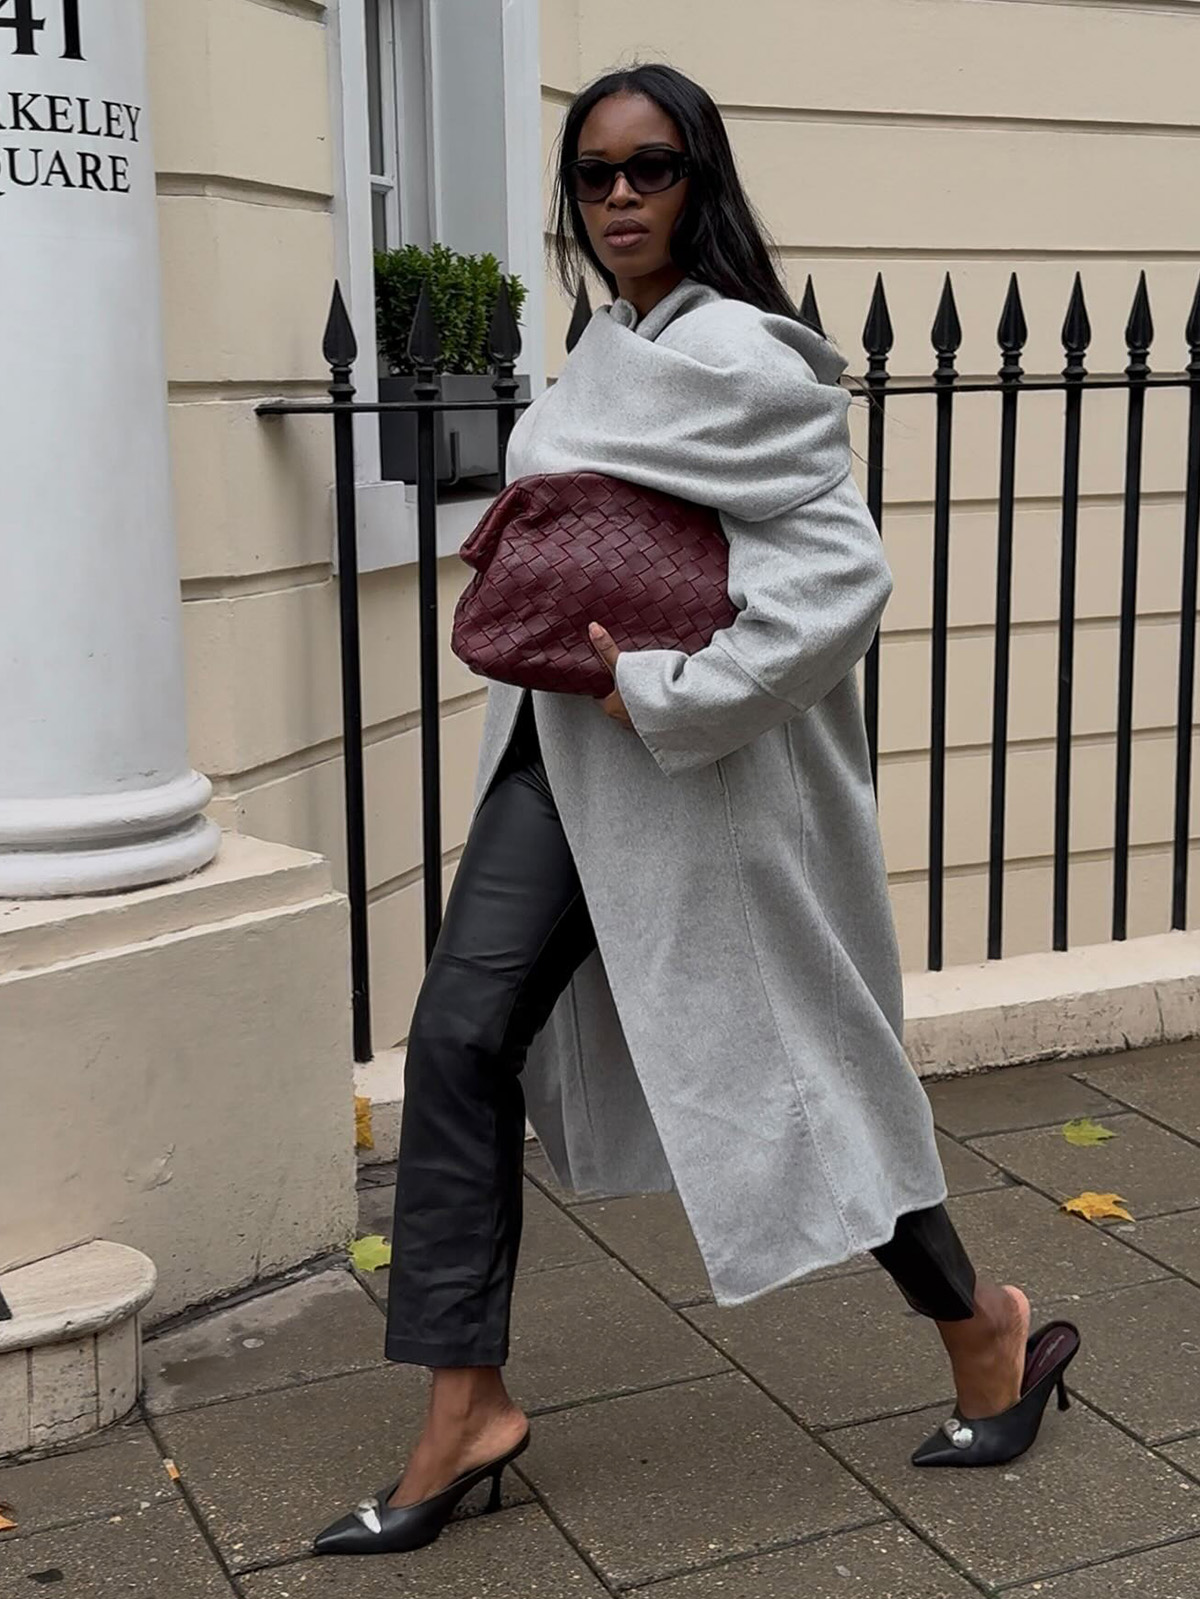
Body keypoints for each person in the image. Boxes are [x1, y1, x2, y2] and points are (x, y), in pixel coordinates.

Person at [314, 61, 1078, 1559]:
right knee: (459, 1039)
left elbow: (839, 581)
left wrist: (656, 690)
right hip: (556, 767)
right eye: (594, 174)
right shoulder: (600, 346)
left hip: (691, 783)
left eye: (650, 169)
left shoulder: (748, 360)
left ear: (699, 181)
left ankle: (987, 1326)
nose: (618, 199)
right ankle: (467, 1400)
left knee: (808, 1076)